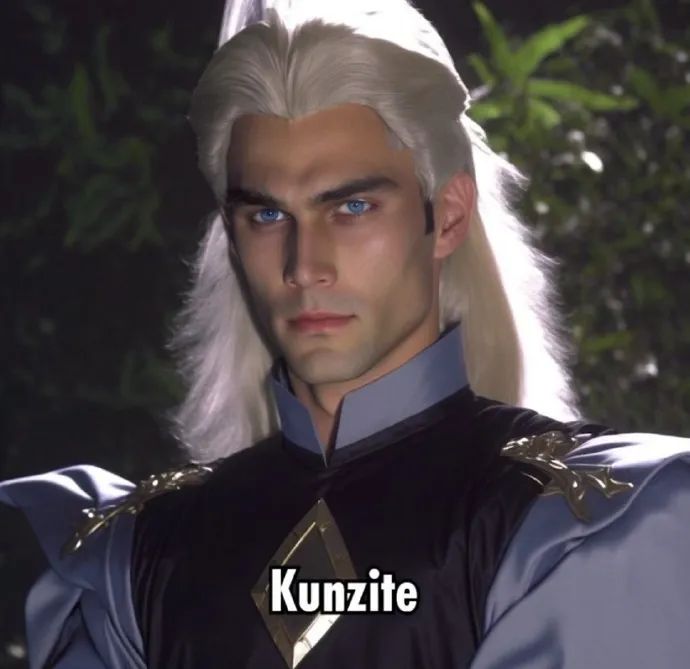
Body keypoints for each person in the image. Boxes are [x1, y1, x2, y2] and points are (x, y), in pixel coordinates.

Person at [2, 1, 689, 667]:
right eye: (267, 215)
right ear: (232, 236)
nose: (304, 266)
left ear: (448, 215)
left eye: (352, 206)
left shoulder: (578, 525)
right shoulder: (139, 554)